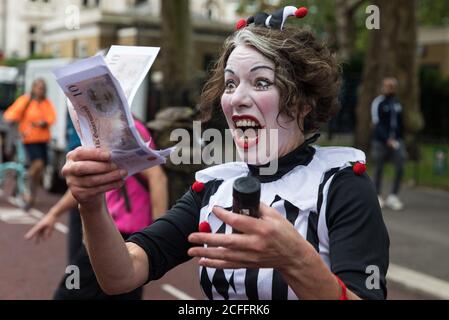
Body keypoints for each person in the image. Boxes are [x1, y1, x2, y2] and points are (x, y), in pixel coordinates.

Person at [60, 6, 389, 300]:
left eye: (260, 83)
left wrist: (296, 259)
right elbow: (122, 275)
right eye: (230, 84)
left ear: (303, 103)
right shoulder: (214, 188)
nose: (236, 99)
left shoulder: (341, 185)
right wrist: (90, 204)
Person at [25, 117, 168, 300]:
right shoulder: (105, 128)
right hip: (111, 230)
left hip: (123, 234)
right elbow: (87, 186)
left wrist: (158, 234)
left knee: (69, 293)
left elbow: (158, 178)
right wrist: (53, 213)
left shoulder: (125, 129)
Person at [3, 78, 56, 209]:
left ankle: (30, 193)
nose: (40, 90)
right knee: (38, 165)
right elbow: (10, 114)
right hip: (29, 140)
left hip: (43, 140)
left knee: (40, 171)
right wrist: (15, 121)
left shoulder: (46, 103)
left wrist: (44, 122)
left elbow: (52, 117)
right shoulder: (26, 100)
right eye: (38, 87)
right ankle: (25, 182)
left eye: (42, 88)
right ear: (33, 88)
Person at [371, 77, 406, 211]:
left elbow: (400, 123)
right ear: (382, 87)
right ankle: (377, 194)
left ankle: (393, 196)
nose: (390, 88)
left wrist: (399, 139)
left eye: (392, 86)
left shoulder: (397, 103)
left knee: (400, 164)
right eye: (388, 86)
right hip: (380, 141)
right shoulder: (378, 103)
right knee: (378, 167)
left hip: (397, 141)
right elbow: (377, 123)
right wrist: (387, 139)